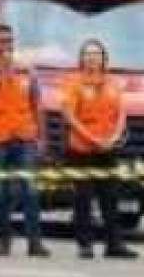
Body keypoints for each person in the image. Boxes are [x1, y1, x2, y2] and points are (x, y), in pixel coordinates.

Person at [0, 22, 48, 257]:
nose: (6, 45)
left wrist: (41, 137)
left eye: (9, 41)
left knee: (30, 190)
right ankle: (4, 240)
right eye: (2, 41)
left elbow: (37, 104)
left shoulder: (27, 70)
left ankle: (35, 242)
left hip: (24, 136)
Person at [59, 38, 137, 260]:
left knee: (110, 197)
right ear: (81, 59)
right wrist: (92, 138)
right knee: (82, 198)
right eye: (88, 54)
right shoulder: (72, 83)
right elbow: (69, 116)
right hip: (81, 149)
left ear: (104, 59)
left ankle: (114, 244)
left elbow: (121, 113)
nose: (92, 58)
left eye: (97, 54)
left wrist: (114, 136)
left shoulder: (113, 83)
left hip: (108, 148)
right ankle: (85, 244)